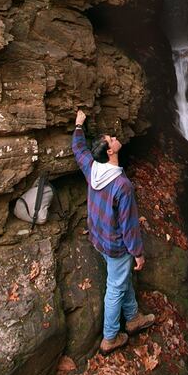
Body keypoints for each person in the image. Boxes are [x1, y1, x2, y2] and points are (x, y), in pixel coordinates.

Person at [72, 108, 155, 354]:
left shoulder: (92, 168)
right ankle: (109, 338)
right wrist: (138, 253)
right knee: (115, 287)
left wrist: (79, 126)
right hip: (115, 244)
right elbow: (129, 226)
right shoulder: (122, 186)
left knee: (120, 278)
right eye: (112, 139)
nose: (116, 138)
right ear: (110, 151)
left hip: (98, 237)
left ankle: (133, 318)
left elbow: (79, 150)